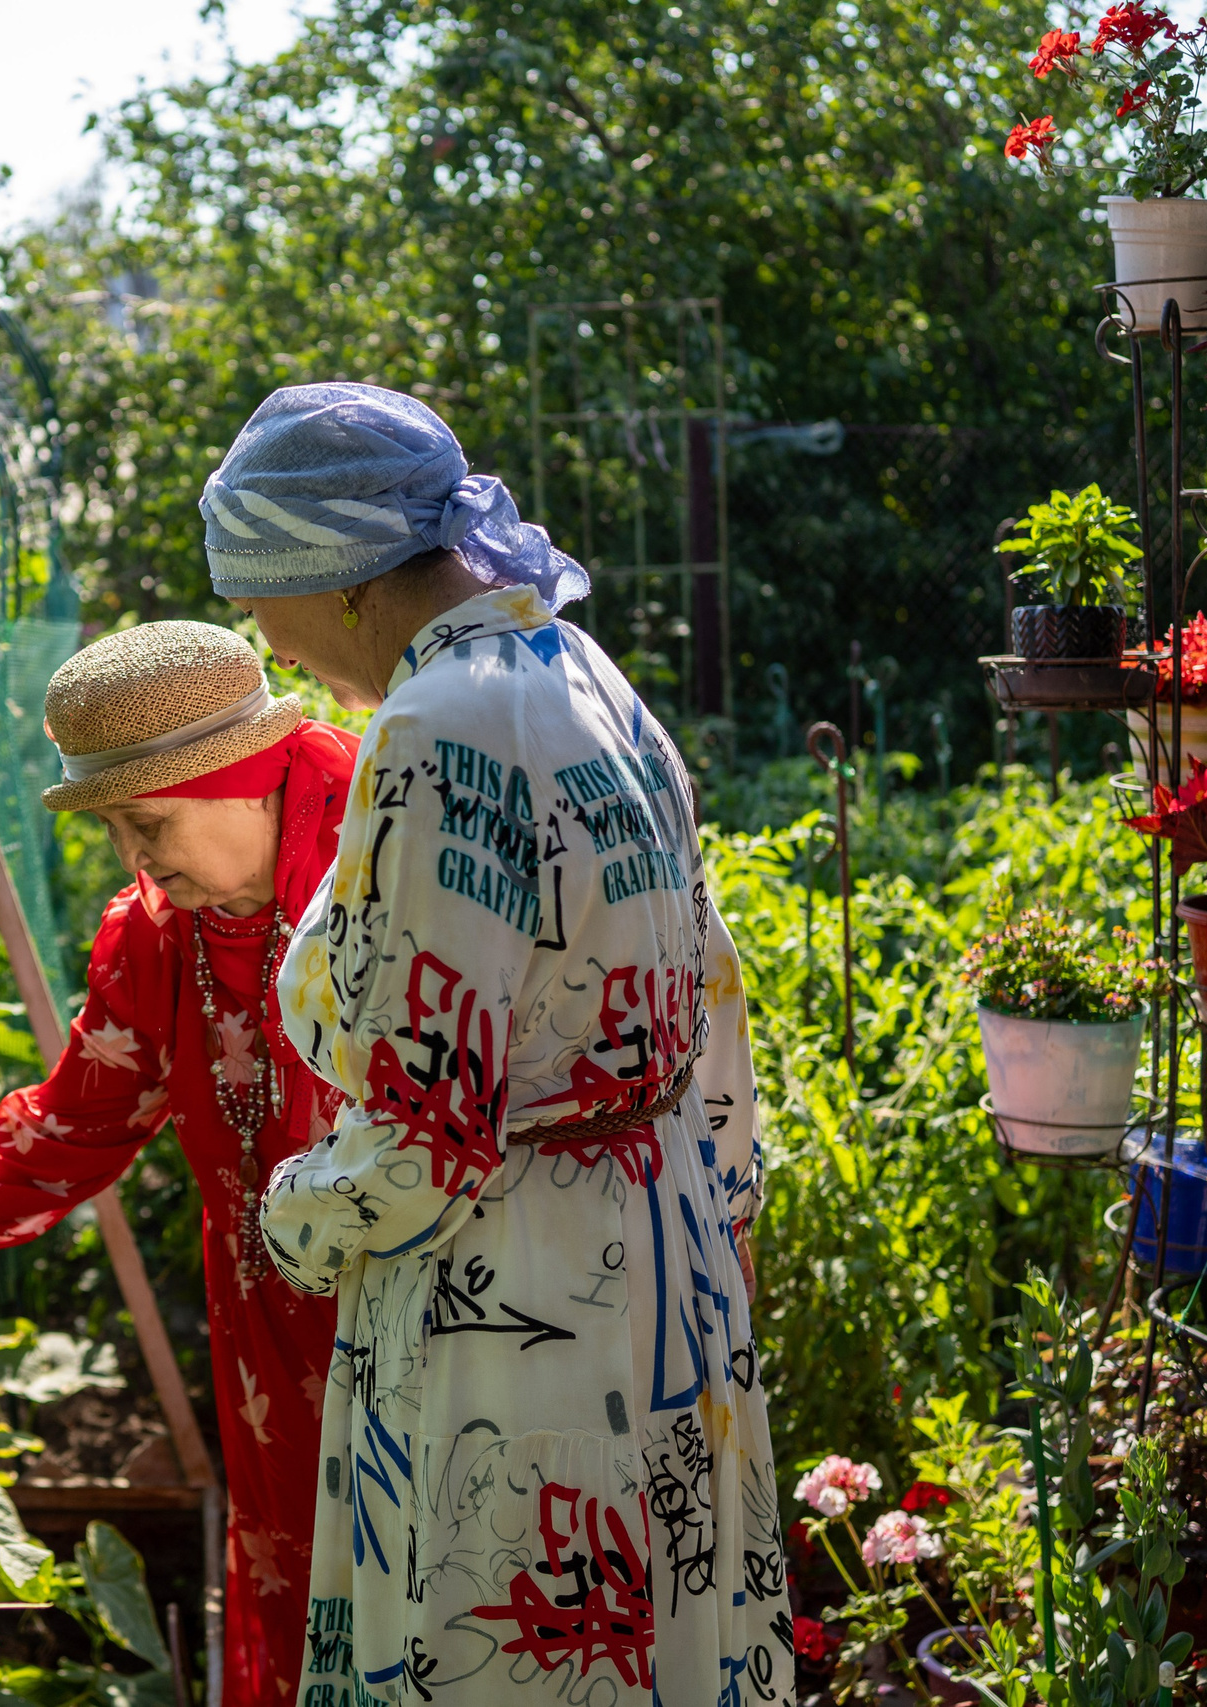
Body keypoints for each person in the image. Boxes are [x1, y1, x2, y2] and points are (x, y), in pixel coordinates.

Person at [211, 382, 788, 1704]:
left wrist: (294, 1216)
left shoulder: (435, 725)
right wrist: (716, 1216)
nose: (269, 641)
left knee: (520, 1654)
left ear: (344, 578)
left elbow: (433, 1129)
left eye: (260, 599)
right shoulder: (578, 671)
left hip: (516, 1292)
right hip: (661, 1256)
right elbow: (714, 994)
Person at [0, 620, 359, 1704]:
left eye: (148, 822)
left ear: (249, 785)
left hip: (439, 1306)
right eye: (114, 830)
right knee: (310, 1588)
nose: (137, 859)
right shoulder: (164, 929)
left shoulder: (395, 871)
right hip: (272, 1327)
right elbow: (79, 1119)